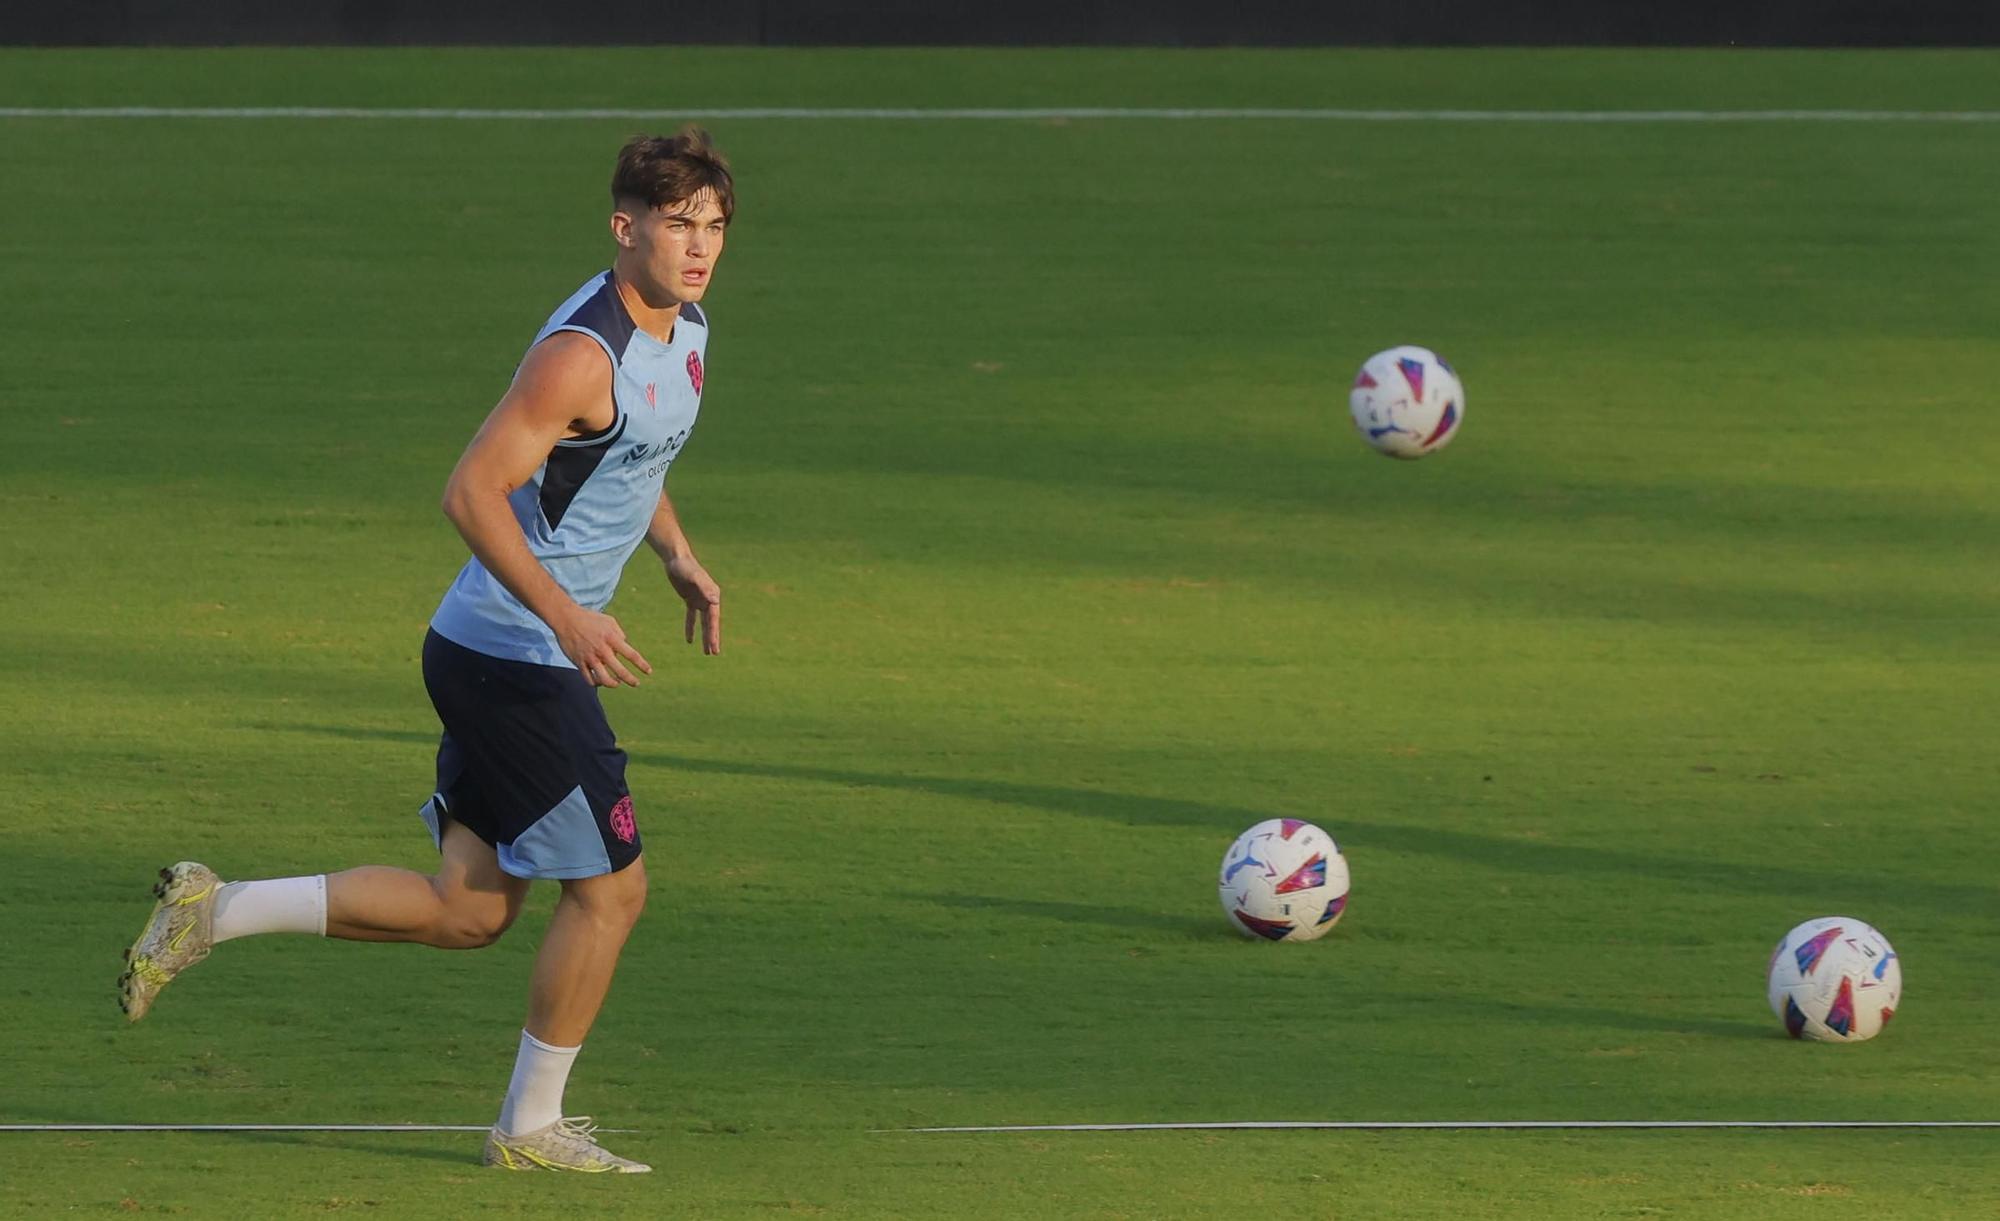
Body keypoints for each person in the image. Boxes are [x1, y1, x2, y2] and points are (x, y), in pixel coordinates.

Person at [117, 127, 734, 1174]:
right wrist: (567, 617)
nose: (698, 246)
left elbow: (631, 456)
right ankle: (528, 1130)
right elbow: (469, 491)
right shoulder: (579, 354)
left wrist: (674, 551)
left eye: (714, 226)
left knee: (467, 913)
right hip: (512, 657)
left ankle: (211, 911)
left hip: (498, 651)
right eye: (677, 225)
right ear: (624, 228)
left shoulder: (686, 330)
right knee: (613, 892)